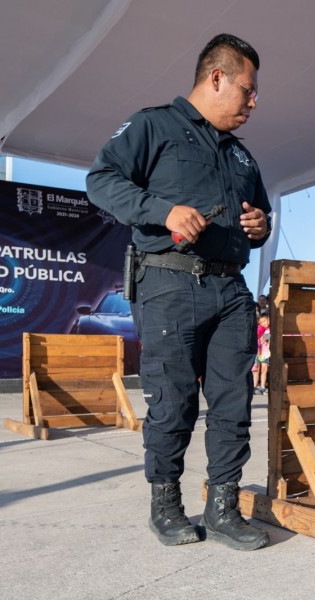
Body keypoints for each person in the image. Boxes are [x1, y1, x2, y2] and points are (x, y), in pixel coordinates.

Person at [86, 33, 272, 549]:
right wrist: (162, 211)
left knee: (235, 402)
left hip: (230, 290)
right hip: (169, 281)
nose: (254, 101)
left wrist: (261, 224)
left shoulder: (242, 157)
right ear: (217, 78)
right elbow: (101, 179)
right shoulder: (153, 126)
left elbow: (261, 214)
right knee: (173, 401)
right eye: (248, 89)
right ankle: (165, 506)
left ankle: (224, 507)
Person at [254, 312, 271, 395]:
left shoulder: (269, 330)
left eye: (265, 321)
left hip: (265, 353)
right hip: (257, 352)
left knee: (264, 369)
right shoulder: (259, 329)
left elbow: (267, 339)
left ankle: (262, 386)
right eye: (261, 322)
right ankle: (254, 386)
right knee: (256, 369)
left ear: (269, 319)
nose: (263, 323)